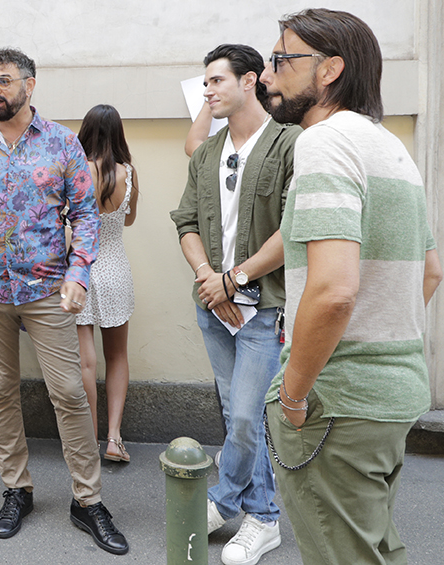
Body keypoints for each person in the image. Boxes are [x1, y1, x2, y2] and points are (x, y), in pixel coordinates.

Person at [258, 9, 443, 564]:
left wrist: (292, 394)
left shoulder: (323, 143)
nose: (269, 75)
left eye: (283, 59)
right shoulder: (387, 146)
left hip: (337, 401)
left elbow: (334, 291)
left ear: (330, 70)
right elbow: (430, 271)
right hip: (392, 394)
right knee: (376, 550)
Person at [0, 47, 128, 556]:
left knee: (68, 391)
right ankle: (16, 489)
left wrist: (79, 273)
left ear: (30, 85)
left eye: (3, 80)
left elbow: (85, 216)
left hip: (46, 290)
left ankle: (87, 502)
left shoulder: (64, 144)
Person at [170, 44, 299, 565]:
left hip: (263, 308)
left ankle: (240, 508)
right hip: (213, 304)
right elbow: (185, 223)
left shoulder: (291, 144)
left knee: (247, 417)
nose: (208, 91)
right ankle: (252, 511)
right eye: (204, 83)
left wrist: (235, 279)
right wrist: (209, 278)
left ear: (250, 81)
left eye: (217, 81)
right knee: (235, 413)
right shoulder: (207, 152)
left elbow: (294, 231)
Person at [75, 104, 138, 464]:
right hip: (115, 268)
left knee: (86, 361)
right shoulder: (129, 173)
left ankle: (89, 443)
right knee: (117, 355)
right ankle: (114, 438)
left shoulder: (78, 172)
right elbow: (128, 221)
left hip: (82, 268)